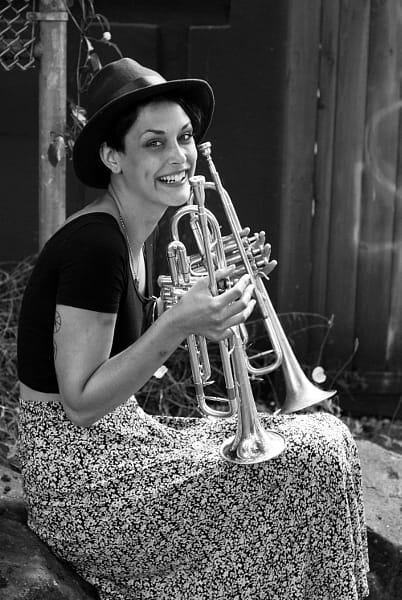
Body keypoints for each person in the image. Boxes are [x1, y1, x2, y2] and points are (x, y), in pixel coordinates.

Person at [17, 57, 369, 600]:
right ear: (113, 156)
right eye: (154, 143)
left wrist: (211, 304)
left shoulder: (134, 231)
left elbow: (122, 350)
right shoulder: (95, 246)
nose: (179, 156)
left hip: (120, 447)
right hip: (87, 488)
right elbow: (81, 403)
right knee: (316, 455)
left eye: (183, 138)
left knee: (327, 440)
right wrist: (179, 323)